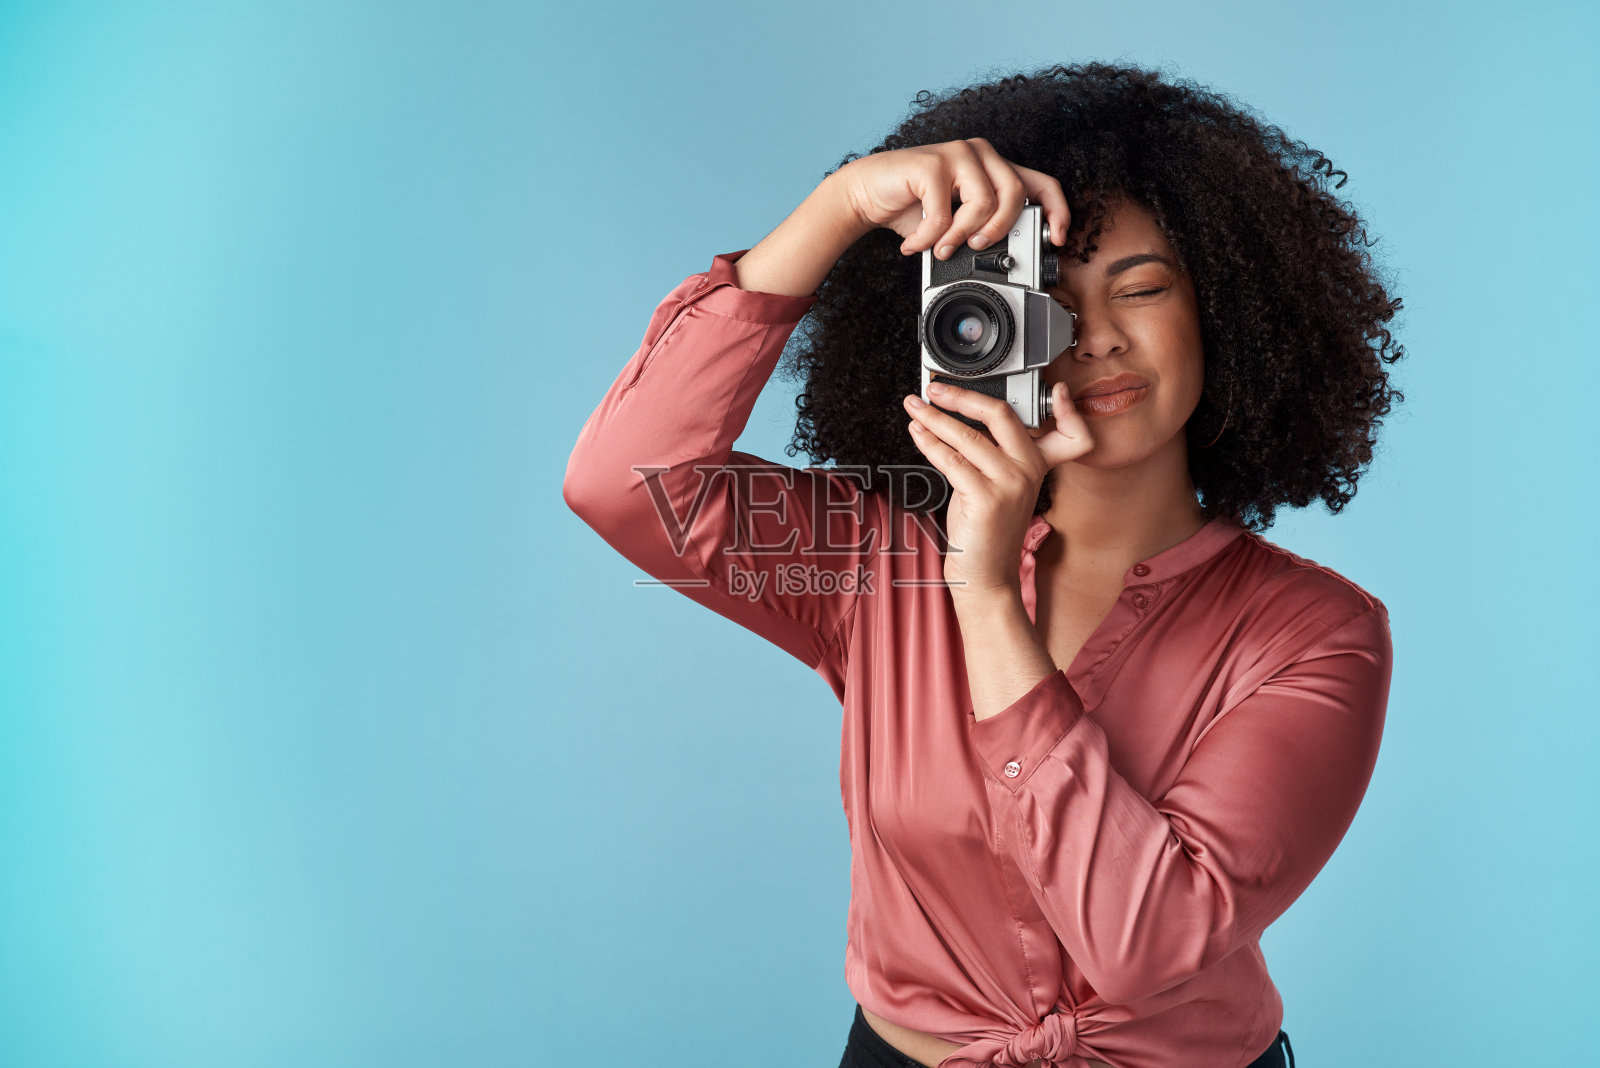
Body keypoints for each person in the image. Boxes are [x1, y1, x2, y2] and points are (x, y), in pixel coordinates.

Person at [563, 61, 1402, 1068]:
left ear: (1221, 313)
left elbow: (1146, 939)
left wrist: (986, 596)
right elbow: (625, 481)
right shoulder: (878, 557)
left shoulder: (1314, 632)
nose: (1092, 340)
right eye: (1040, 303)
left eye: (1139, 289)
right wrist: (835, 212)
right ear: (968, 328)